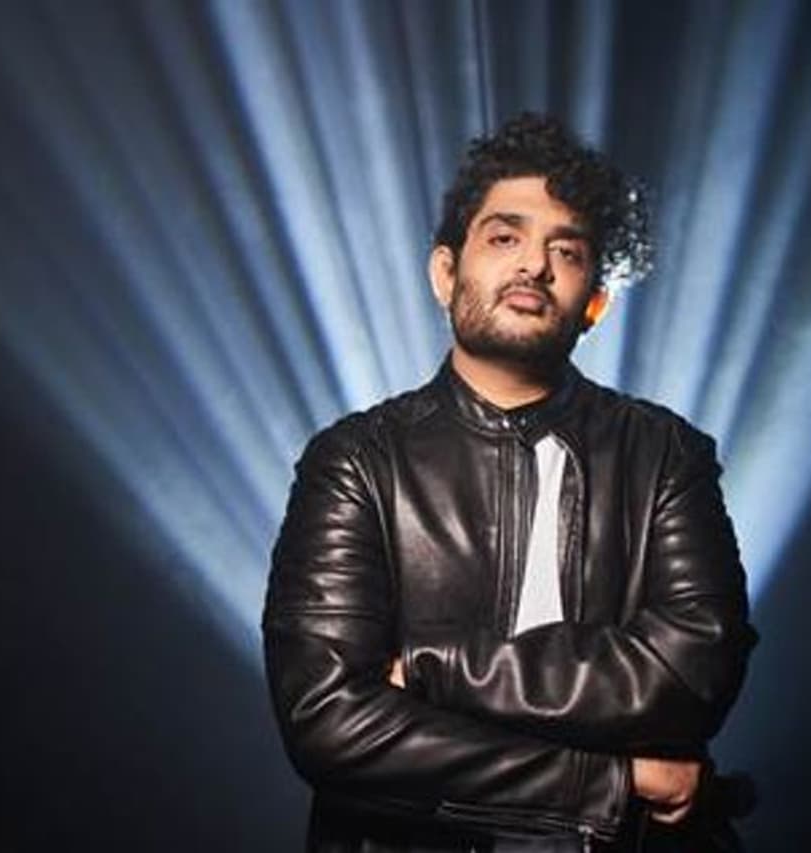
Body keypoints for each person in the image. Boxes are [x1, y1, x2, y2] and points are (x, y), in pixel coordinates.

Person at [263, 112, 757, 852]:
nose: (535, 265)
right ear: (445, 273)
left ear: (595, 303)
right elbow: (330, 723)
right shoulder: (355, 461)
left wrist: (436, 668)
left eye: (567, 251)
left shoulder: (666, 455)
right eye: (504, 238)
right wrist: (614, 784)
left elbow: (694, 670)